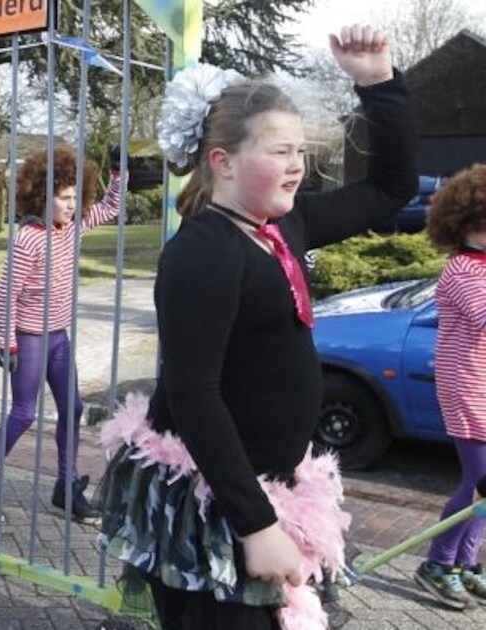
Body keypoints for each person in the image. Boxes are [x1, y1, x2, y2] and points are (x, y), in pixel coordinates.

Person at [96, 25, 416, 629]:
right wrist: (257, 524)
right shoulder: (203, 254)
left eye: (300, 151)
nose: (298, 166)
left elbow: (391, 188)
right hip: (216, 502)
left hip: (270, 488)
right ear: (223, 161)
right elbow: (195, 394)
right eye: (279, 152)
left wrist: (379, 86)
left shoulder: (281, 227)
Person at [0, 147, 123, 523]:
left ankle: (66, 489)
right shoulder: (28, 239)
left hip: (59, 338)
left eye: (75, 197)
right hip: (30, 338)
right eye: (64, 198)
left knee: (74, 409)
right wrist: (7, 342)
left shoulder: (73, 227)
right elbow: (6, 293)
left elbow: (111, 206)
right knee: (23, 414)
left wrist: (117, 172)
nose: (72, 205)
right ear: (42, 196)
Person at [415, 163, 486, 608]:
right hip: (467, 388)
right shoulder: (463, 269)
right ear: (469, 223)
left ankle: (466, 561)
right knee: (480, 480)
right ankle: (438, 563)